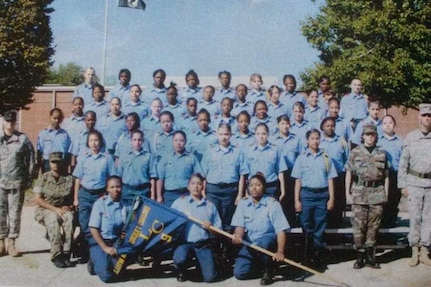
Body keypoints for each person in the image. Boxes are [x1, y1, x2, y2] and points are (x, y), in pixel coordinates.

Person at [231, 172, 289, 285]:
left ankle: (268, 270)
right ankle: (262, 269)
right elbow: (240, 226)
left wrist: (280, 251)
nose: (254, 188)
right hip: (250, 243)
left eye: (258, 185)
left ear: (264, 187)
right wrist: (238, 235)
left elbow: (281, 230)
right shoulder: (243, 204)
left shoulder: (272, 204)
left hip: (267, 241)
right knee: (240, 273)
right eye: (251, 185)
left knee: (264, 241)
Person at [345, 123, 389, 269]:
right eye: (367, 134)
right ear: (362, 136)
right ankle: (359, 257)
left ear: (376, 136)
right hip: (359, 192)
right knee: (359, 227)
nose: (370, 137)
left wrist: (386, 192)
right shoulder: (355, 152)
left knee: (373, 226)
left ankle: (371, 256)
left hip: (377, 192)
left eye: (373, 134)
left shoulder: (382, 152)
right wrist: (347, 193)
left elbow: (387, 175)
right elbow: (349, 173)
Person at [292, 129, 337, 269]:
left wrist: (331, 199)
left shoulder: (326, 157)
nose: (315, 141)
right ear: (307, 140)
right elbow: (297, 181)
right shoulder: (302, 157)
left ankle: (318, 258)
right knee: (306, 226)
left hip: (322, 195)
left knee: (320, 227)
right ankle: (307, 257)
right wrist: (296, 201)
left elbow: (330, 180)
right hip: (306, 195)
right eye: (312, 138)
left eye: (317, 138)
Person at [72, 130, 116, 264]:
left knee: (98, 225)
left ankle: (95, 254)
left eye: (96, 140)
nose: (94, 143)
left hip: (100, 195)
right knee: (85, 225)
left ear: (100, 142)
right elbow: (78, 179)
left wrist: (107, 194)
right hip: (85, 194)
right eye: (91, 140)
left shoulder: (107, 158)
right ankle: (86, 252)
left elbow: (111, 178)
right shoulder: (83, 157)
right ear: (88, 143)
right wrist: (76, 198)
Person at [172, 173, 222, 282]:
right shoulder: (179, 203)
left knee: (210, 278)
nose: (196, 186)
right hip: (184, 243)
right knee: (180, 258)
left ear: (203, 187)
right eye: (193, 183)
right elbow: (170, 223)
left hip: (203, 244)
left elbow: (218, 230)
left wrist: (210, 228)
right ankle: (181, 269)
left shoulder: (209, 206)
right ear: (188, 186)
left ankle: (202, 263)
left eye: (199, 184)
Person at [398, 103, 431, 267]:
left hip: (430, 185)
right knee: (415, 218)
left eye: (429, 116)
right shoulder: (411, 137)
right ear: (419, 117)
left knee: (428, 219)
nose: (427, 118)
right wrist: (403, 184)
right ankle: (414, 251)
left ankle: (425, 250)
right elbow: (403, 163)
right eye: (424, 115)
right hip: (414, 183)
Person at [201, 123, 249, 231]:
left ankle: (226, 245)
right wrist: (203, 191)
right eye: (221, 134)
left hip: (230, 191)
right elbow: (203, 174)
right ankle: (214, 245)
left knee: (228, 221)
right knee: (212, 219)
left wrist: (240, 195)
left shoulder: (238, 152)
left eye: (226, 134)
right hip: (213, 190)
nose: (223, 137)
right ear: (217, 135)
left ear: (231, 135)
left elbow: (242, 175)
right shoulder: (210, 151)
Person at [0, 111, 35, 257]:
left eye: (12, 121)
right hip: (0, 183)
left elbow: (32, 160)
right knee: (0, 213)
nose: (10, 124)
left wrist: (29, 179)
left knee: (14, 214)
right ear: (3, 122)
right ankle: (1, 242)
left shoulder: (22, 139)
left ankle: (12, 243)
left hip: (17, 183)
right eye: (7, 121)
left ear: (15, 122)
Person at [33, 152, 75, 268]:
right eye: (53, 162)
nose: (56, 164)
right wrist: (55, 209)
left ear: (62, 163)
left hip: (62, 209)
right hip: (45, 209)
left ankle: (66, 253)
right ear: (49, 163)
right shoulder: (43, 177)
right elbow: (37, 199)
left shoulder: (69, 179)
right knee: (53, 220)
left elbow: (74, 198)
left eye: (58, 162)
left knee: (70, 219)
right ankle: (56, 254)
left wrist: (69, 207)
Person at [88, 176, 130, 282]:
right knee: (107, 276)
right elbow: (93, 228)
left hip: (117, 242)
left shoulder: (127, 205)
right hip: (100, 242)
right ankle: (93, 261)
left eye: (118, 187)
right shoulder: (100, 204)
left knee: (118, 271)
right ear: (107, 189)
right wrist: (105, 248)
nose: (115, 190)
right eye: (112, 187)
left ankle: (108, 261)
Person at [156, 131, 204, 206]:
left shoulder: (191, 158)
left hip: (186, 194)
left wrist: (201, 194)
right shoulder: (165, 158)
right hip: (170, 194)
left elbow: (199, 176)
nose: (178, 143)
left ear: (185, 142)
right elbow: (160, 179)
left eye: (181, 140)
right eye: (176, 140)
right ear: (172, 141)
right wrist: (159, 196)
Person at [319, 117, 350, 227]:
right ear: (322, 127)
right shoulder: (319, 141)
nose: (330, 128)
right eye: (327, 126)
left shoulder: (341, 141)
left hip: (338, 176)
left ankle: (337, 229)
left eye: (332, 125)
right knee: (325, 204)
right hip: (323, 177)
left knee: (337, 204)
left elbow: (347, 159)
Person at [244, 123, 287, 199]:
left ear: (268, 134)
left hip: (271, 187)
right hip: (254, 187)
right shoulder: (249, 151)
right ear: (255, 135)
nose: (261, 136)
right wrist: (246, 191)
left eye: (264, 134)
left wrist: (283, 191)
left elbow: (280, 171)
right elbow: (245, 174)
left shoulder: (275, 150)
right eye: (258, 134)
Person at [117, 130, 157, 204]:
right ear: (131, 141)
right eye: (134, 140)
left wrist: (153, 196)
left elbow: (152, 177)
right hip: (127, 191)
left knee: (142, 215)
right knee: (128, 214)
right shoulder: (124, 156)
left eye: (139, 140)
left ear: (143, 141)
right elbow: (119, 175)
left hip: (143, 191)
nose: (137, 143)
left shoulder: (148, 156)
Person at [379, 115, 403, 228]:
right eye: (385, 123)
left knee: (393, 202)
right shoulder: (378, 141)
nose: (388, 125)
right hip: (381, 176)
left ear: (394, 125)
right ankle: (381, 233)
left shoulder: (400, 142)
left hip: (395, 175)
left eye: (390, 123)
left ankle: (391, 230)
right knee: (382, 203)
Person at [36, 108, 71, 173]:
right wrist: (39, 167)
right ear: (50, 117)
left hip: (61, 164)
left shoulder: (65, 135)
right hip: (47, 164)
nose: (57, 120)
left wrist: (67, 165)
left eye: (59, 118)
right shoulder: (43, 134)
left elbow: (69, 152)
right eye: (54, 118)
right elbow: (39, 152)